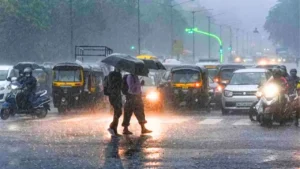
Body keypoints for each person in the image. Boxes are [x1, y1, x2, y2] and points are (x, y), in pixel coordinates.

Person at [107, 68, 123, 136]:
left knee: (117, 112)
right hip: (115, 95)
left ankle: (113, 127)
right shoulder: (117, 75)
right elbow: (120, 86)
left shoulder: (111, 75)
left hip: (113, 96)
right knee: (118, 112)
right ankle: (112, 127)